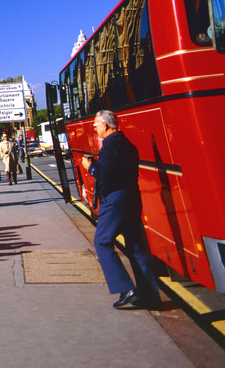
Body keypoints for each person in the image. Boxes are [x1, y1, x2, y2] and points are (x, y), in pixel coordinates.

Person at [81, 110, 160, 310]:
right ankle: (150, 296)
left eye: (96, 125)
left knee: (102, 241)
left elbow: (105, 175)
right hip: (132, 196)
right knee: (135, 246)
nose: (95, 128)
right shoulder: (127, 144)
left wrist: (89, 167)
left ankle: (126, 288)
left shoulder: (109, 146)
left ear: (106, 125)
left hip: (114, 199)